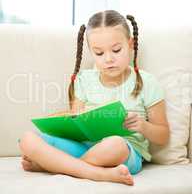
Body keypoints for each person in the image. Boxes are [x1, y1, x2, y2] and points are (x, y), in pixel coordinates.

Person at [19, 10, 170, 186]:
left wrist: (143, 126)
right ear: (91, 52)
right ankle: (97, 173)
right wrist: (67, 120)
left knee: (115, 144)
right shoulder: (84, 80)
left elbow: (163, 135)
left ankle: (55, 165)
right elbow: (75, 122)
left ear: (130, 44)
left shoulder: (147, 82)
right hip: (85, 146)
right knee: (27, 140)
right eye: (99, 53)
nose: (108, 59)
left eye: (116, 50)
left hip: (124, 152)